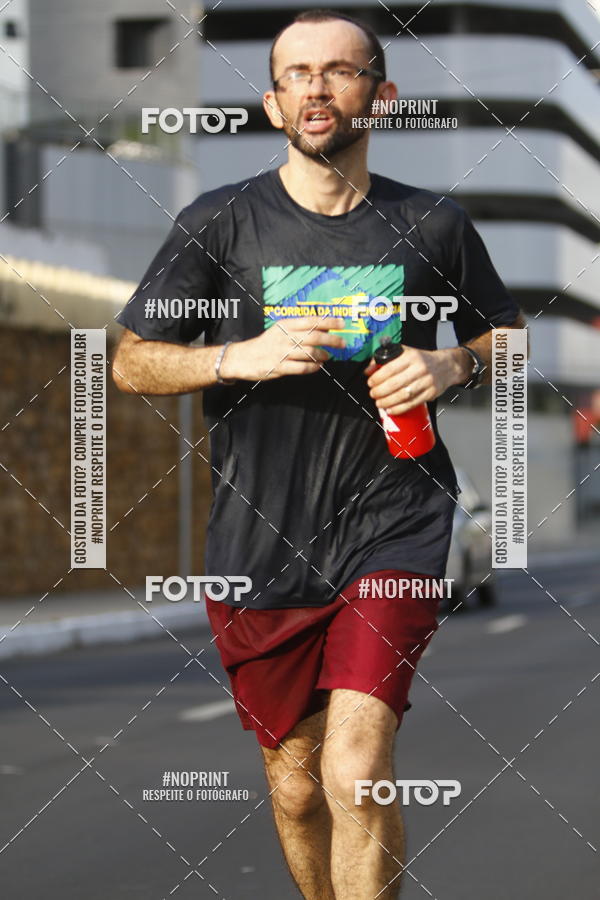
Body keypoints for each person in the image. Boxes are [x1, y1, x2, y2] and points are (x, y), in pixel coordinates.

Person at [113, 9, 526, 898]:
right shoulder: (216, 224)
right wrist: (235, 356)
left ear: (382, 94)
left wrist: (450, 359)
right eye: (298, 73)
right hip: (261, 544)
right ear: (271, 100)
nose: (317, 87)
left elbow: (511, 342)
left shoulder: (433, 225)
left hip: (396, 523)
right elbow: (128, 360)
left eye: (340, 71)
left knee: (354, 768)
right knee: (298, 787)